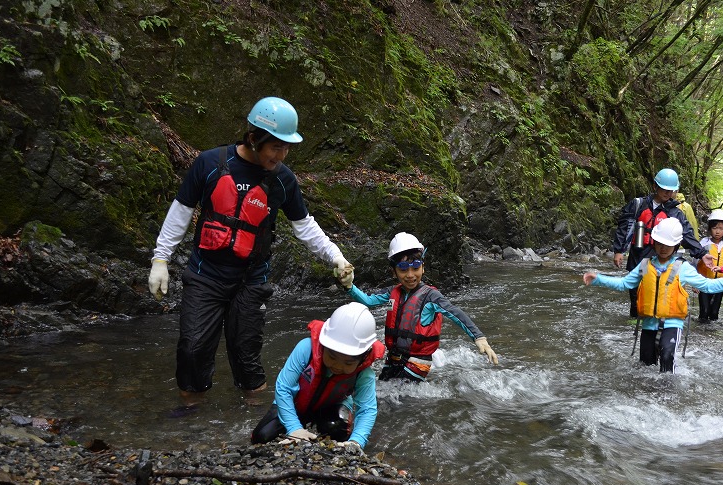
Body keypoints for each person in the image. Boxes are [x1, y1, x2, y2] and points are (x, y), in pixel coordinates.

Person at [147, 97, 354, 413]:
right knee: (192, 349)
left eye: (286, 149)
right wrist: (160, 260)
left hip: (250, 281)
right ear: (253, 138)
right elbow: (181, 212)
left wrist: (336, 257)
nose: (281, 156)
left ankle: (254, 414)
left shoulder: (282, 179)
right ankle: (190, 418)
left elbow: (305, 226)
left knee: (246, 354)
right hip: (205, 275)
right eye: (275, 147)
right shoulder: (209, 164)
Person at [585, 218, 723, 373]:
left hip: (672, 324)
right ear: (654, 242)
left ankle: (668, 395)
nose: (663, 248)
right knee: (645, 367)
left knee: (667, 358)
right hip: (649, 324)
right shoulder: (644, 265)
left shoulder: (683, 268)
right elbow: (624, 283)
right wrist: (598, 279)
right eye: (660, 244)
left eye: (667, 245)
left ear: (676, 245)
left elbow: (709, 286)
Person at [339, 232, 498, 382]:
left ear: (423, 267)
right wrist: (349, 286)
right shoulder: (392, 292)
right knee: (381, 391)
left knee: (399, 399)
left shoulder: (431, 296)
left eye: (415, 268)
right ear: (394, 272)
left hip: (418, 360)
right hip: (394, 356)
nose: (410, 275)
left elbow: (455, 313)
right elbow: (368, 300)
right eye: (403, 269)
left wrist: (479, 337)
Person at [250, 303, 385, 451]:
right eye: (332, 357)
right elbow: (283, 388)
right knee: (261, 438)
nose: (338, 366)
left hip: (331, 407)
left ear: (363, 356)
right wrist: (294, 429)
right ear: (323, 344)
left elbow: (367, 409)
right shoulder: (306, 349)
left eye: (348, 363)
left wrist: (357, 441)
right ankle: (296, 425)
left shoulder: (363, 373)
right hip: (295, 404)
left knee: (336, 431)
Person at [611, 168, 712, 317]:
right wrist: (619, 251)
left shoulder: (675, 212)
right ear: (655, 186)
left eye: (671, 190)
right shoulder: (638, 204)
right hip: (638, 254)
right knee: (635, 289)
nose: (667, 193)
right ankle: (636, 318)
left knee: (653, 288)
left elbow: (686, 234)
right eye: (664, 189)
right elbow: (624, 227)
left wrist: (702, 253)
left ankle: (654, 317)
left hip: (659, 256)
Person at [695, 209, 723, 323]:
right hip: (704, 282)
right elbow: (694, 262)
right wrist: (695, 283)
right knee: (704, 312)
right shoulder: (704, 243)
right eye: (715, 228)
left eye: (720, 228)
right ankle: (702, 332)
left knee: (714, 314)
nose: (717, 231)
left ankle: (711, 333)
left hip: (721, 283)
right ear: (710, 228)